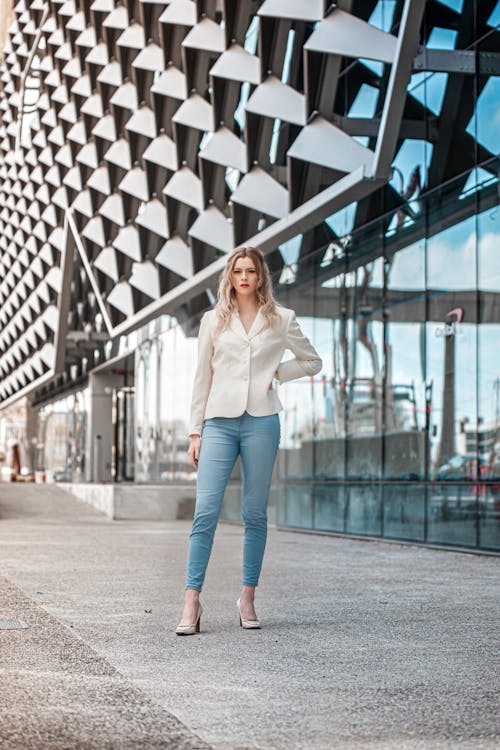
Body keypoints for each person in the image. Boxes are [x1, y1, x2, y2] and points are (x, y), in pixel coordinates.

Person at [176, 247, 322, 635]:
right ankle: (192, 600)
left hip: (262, 423)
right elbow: (201, 378)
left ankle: (247, 597)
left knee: (254, 514)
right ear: (231, 276)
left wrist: (278, 371)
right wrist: (195, 431)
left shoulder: (282, 319)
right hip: (218, 424)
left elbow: (312, 361)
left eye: (251, 271)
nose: (244, 277)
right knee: (205, 512)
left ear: (261, 277)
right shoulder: (213, 321)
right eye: (238, 271)